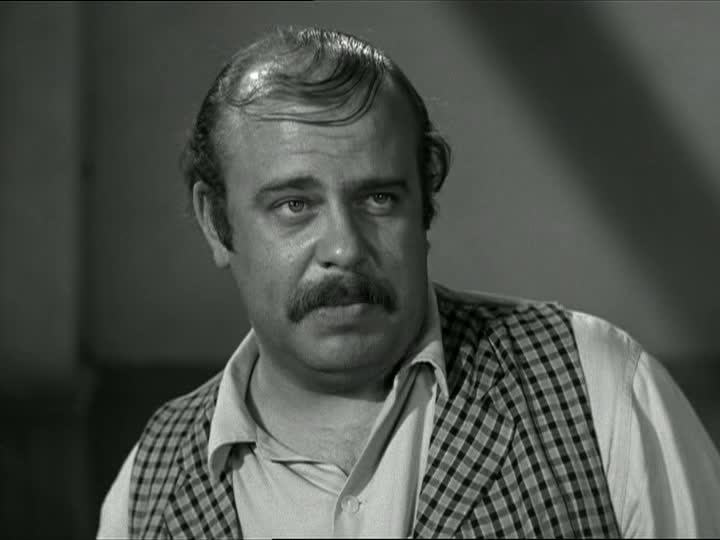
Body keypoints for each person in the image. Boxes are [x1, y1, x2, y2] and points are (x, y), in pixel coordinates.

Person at [97, 26, 720, 538]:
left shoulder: (597, 389)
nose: (344, 248)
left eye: (378, 199)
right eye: (294, 205)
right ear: (216, 221)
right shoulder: (148, 493)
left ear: (425, 203)